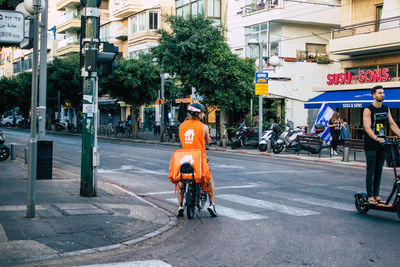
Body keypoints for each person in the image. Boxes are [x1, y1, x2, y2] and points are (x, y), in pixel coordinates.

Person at [177, 102, 217, 217]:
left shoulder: (181, 126)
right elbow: (208, 141)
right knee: (209, 180)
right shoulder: (203, 127)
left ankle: (180, 205)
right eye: (203, 113)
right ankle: (212, 205)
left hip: (184, 157)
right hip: (198, 158)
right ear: (198, 114)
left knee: (181, 180)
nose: (203, 115)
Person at [363, 85, 400, 204]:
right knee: (371, 170)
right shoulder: (368, 110)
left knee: (379, 170)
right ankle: (370, 196)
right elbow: (367, 127)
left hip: (383, 144)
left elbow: (392, 124)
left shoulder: (385, 108)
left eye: (383, 93)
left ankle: (377, 194)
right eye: (379, 93)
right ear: (373, 95)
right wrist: (376, 138)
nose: (382, 95)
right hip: (371, 144)